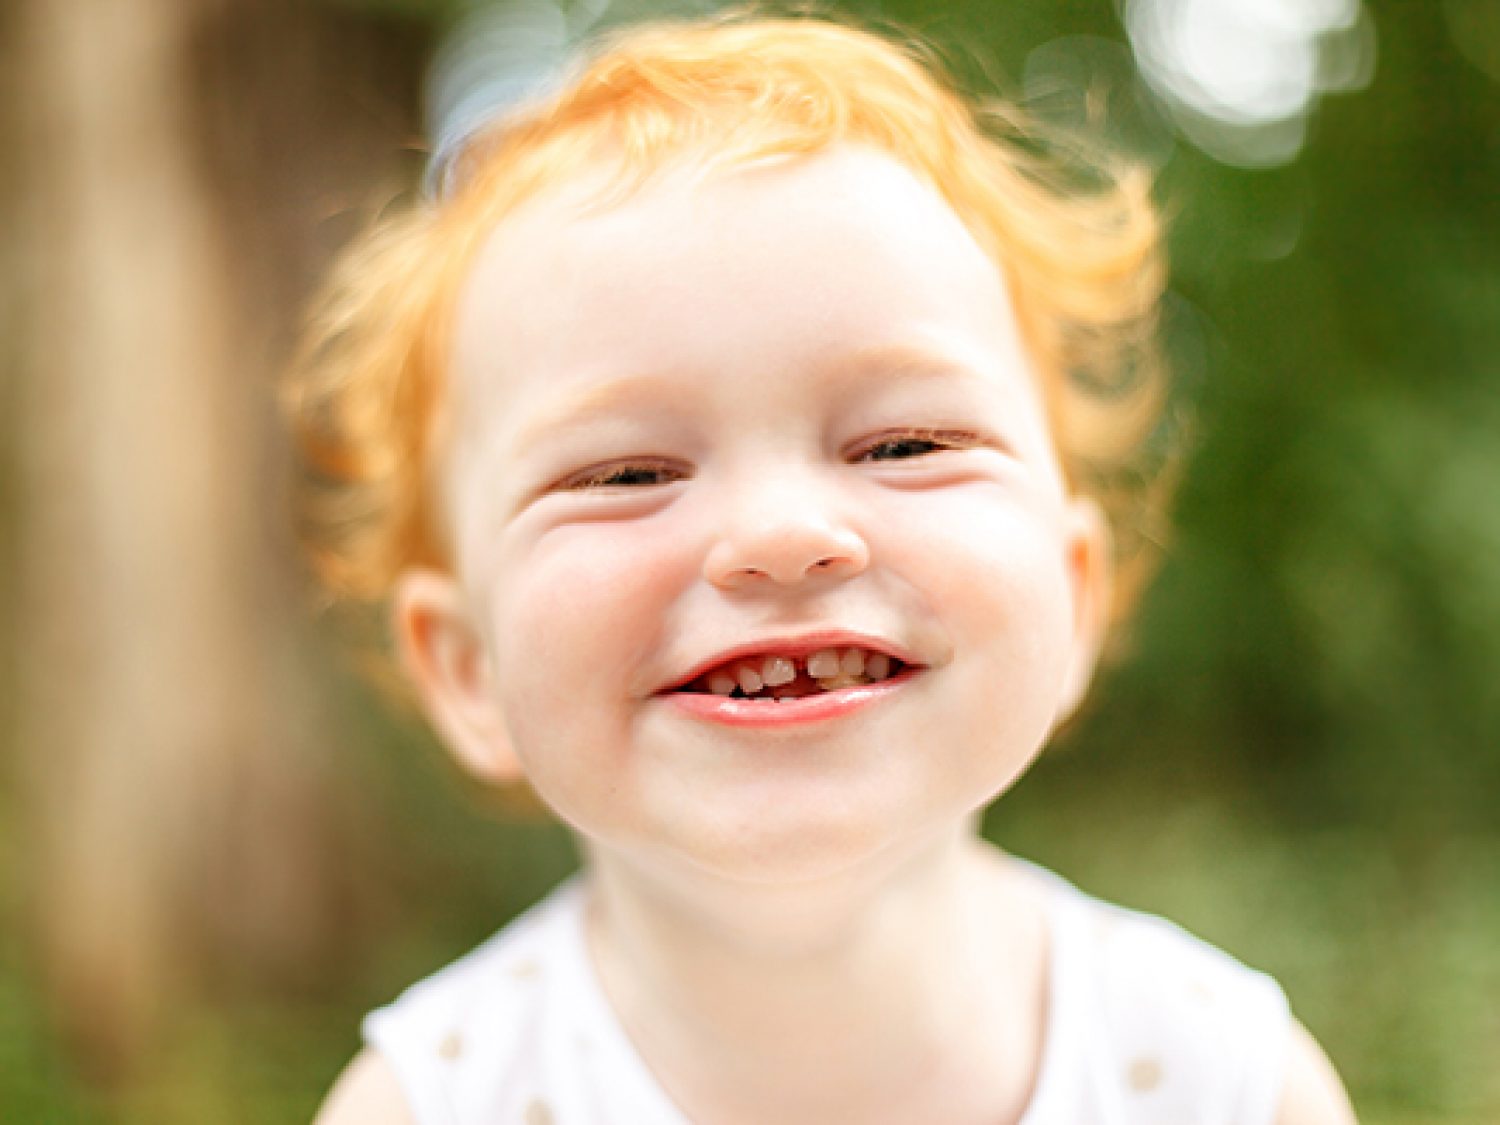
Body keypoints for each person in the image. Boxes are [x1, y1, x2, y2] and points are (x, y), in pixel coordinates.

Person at [287, 10, 1357, 1123]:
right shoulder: (434, 1106)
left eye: (904, 446)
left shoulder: (1222, 1083)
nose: (779, 533)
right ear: (466, 668)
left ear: (1075, 592)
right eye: (623, 474)